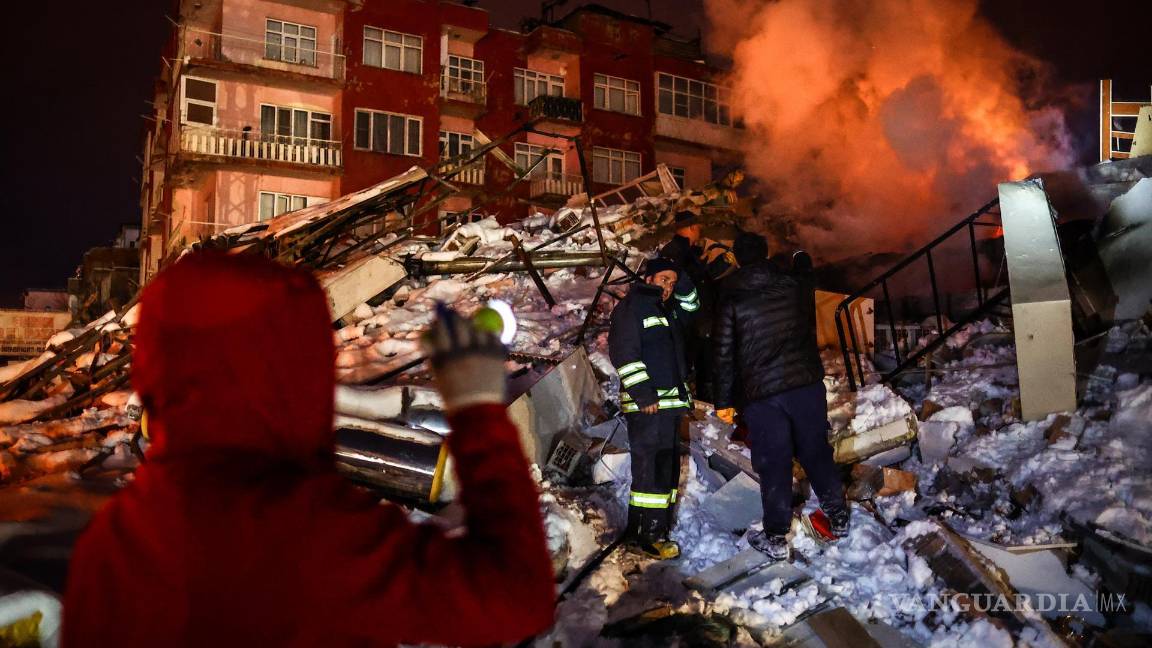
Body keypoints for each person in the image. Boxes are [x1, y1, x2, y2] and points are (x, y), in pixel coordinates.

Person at [62, 251, 555, 646]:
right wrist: (477, 412)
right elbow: (514, 595)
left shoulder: (109, 546)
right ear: (292, 367)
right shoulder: (313, 537)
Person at [712, 233, 849, 561]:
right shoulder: (794, 285)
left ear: (737, 259)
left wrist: (723, 402)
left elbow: (723, 356)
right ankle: (839, 516)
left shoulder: (732, 300)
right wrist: (801, 254)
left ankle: (776, 535)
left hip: (763, 395)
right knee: (816, 451)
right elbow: (806, 270)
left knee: (774, 462)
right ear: (767, 254)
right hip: (805, 385)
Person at [608, 257, 694, 560]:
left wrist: (680, 277)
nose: (668, 287)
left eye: (672, 282)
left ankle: (649, 528)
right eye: (663, 279)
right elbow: (624, 353)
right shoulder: (632, 308)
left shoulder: (663, 309)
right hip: (649, 407)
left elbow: (693, 306)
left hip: (668, 405)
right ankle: (649, 536)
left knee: (665, 470)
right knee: (652, 471)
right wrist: (643, 395)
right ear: (647, 277)